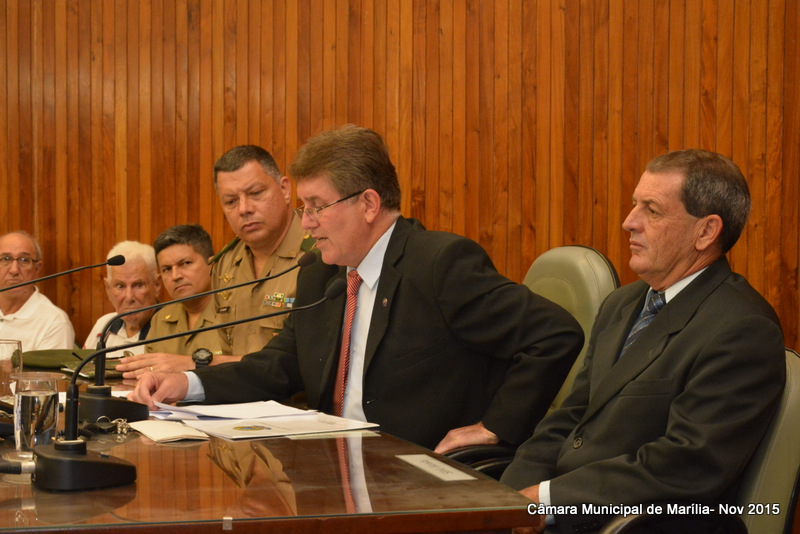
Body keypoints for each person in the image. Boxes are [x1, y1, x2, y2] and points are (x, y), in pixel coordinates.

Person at [129, 124, 584, 453]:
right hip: (332, 459)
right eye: (304, 207)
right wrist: (186, 383)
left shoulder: (438, 264)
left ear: (368, 203)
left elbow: (554, 335)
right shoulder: (322, 274)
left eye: (317, 206)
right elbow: (280, 364)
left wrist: (496, 427)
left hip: (415, 469)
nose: (307, 222)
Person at [499, 149, 786, 534]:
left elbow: (686, 466)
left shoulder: (742, 328)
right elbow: (571, 418)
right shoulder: (622, 303)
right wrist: (506, 500)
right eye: (635, 204)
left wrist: (548, 500)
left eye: (652, 210)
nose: (628, 222)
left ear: (705, 232)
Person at [119, 225, 227, 374]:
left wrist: (190, 364)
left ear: (212, 264)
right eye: (167, 269)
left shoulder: (234, 311)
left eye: (186, 263)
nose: (175, 276)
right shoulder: (161, 320)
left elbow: (251, 368)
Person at [83, 241, 161, 359]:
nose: (129, 297)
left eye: (138, 285)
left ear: (157, 285)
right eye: (120, 286)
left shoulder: (170, 330)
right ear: (108, 288)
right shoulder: (104, 325)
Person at [0, 231, 75, 350]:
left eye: (24, 260)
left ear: (37, 268)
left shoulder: (54, 322)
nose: (14, 270)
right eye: (6, 259)